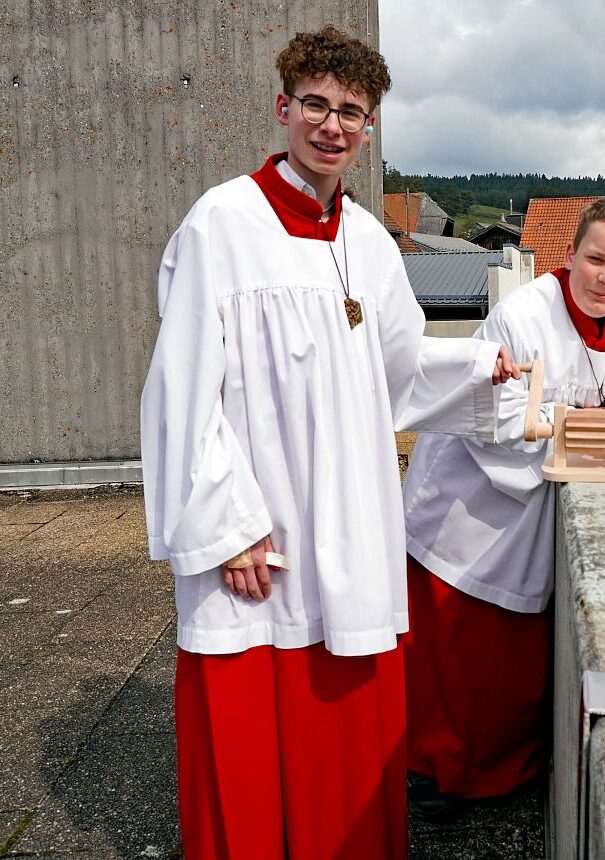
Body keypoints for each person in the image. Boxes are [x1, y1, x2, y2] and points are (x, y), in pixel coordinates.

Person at [140, 26, 518, 860]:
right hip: (260, 534)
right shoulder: (222, 225)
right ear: (284, 109)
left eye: (352, 111)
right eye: (316, 104)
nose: (332, 126)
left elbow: (393, 373)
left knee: (340, 734)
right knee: (248, 730)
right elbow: (181, 387)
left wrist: (483, 369)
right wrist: (226, 523)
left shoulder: (371, 242)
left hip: (347, 527)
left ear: (369, 126)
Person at [402, 196, 605, 819]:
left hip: (529, 508)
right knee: (454, 665)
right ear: (569, 255)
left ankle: (503, 774)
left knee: (512, 667)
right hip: (469, 510)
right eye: (595, 260)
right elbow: (504, 419)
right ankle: (433, 776)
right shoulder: (521, 315)